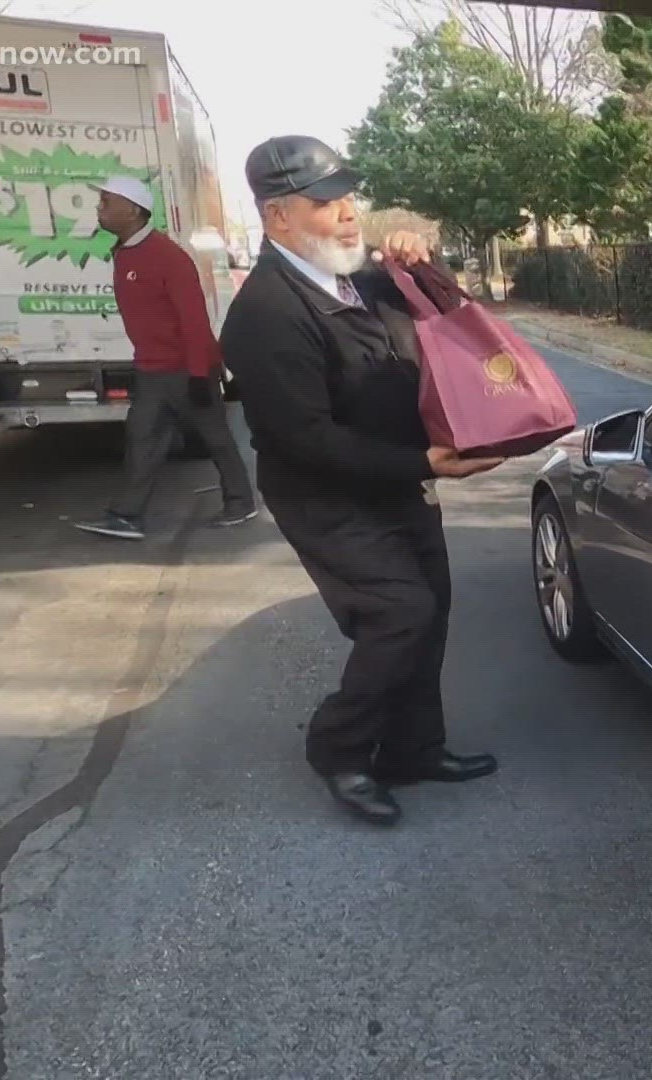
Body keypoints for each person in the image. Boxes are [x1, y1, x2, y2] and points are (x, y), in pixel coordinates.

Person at [219, 134, 502, 827]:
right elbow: (306, 439)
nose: (349, 214)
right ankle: (339, 749)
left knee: (429, 608)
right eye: (326, 202)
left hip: (398, 482)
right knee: (398, 613)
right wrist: (424, 463)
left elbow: (451, 320)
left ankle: (413, 748)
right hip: (327, 496)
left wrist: (423, 264)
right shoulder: (267, 313)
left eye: (350, 198)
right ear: (278, 217)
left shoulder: (362, 279)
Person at [73, 175, 256, 540]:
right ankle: (126, 516)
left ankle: (240, 502)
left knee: (214, 437)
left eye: (107, 202)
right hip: (152, 370)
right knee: (142, 438)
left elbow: (193, 318)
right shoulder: (125, 252)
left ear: (132, 210)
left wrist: (200, 373)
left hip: (185, 369)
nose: (100, 208)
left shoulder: (166, 256)